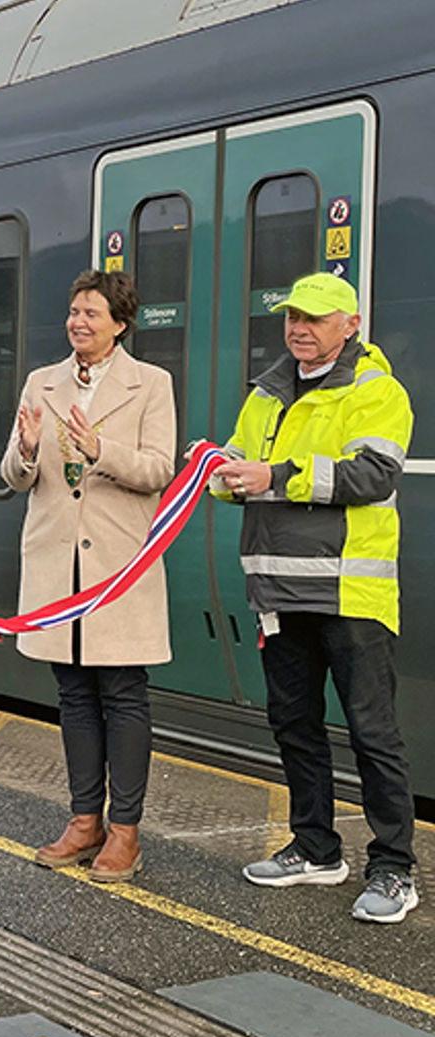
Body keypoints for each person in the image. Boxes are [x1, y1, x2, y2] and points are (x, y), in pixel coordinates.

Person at [213, 272, 418, 923]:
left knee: (372, 732)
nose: (300, 327)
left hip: (349, 591)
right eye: (293, 316)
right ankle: (316, 848)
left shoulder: (376, 390)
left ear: (350, 325)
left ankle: (393, 868)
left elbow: (372, 474)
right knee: (293, 723)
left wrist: (272, 476)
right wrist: (219, 471)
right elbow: (240, 459)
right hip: (277, 587)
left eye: (317, 318)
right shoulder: (266, 392)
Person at [0, 270, 176, 883]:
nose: (78, 322)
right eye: (74, 312)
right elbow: (17, 477)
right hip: (56, 566)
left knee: (123, 695)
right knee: (74, 695)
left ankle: (124, 831)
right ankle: (84, 821)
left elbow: (158, 469)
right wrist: (23, 451)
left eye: (92, 314)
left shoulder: (151, 384)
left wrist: (101, 450)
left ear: (120, 324)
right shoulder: (40, 382)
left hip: (117, 568)